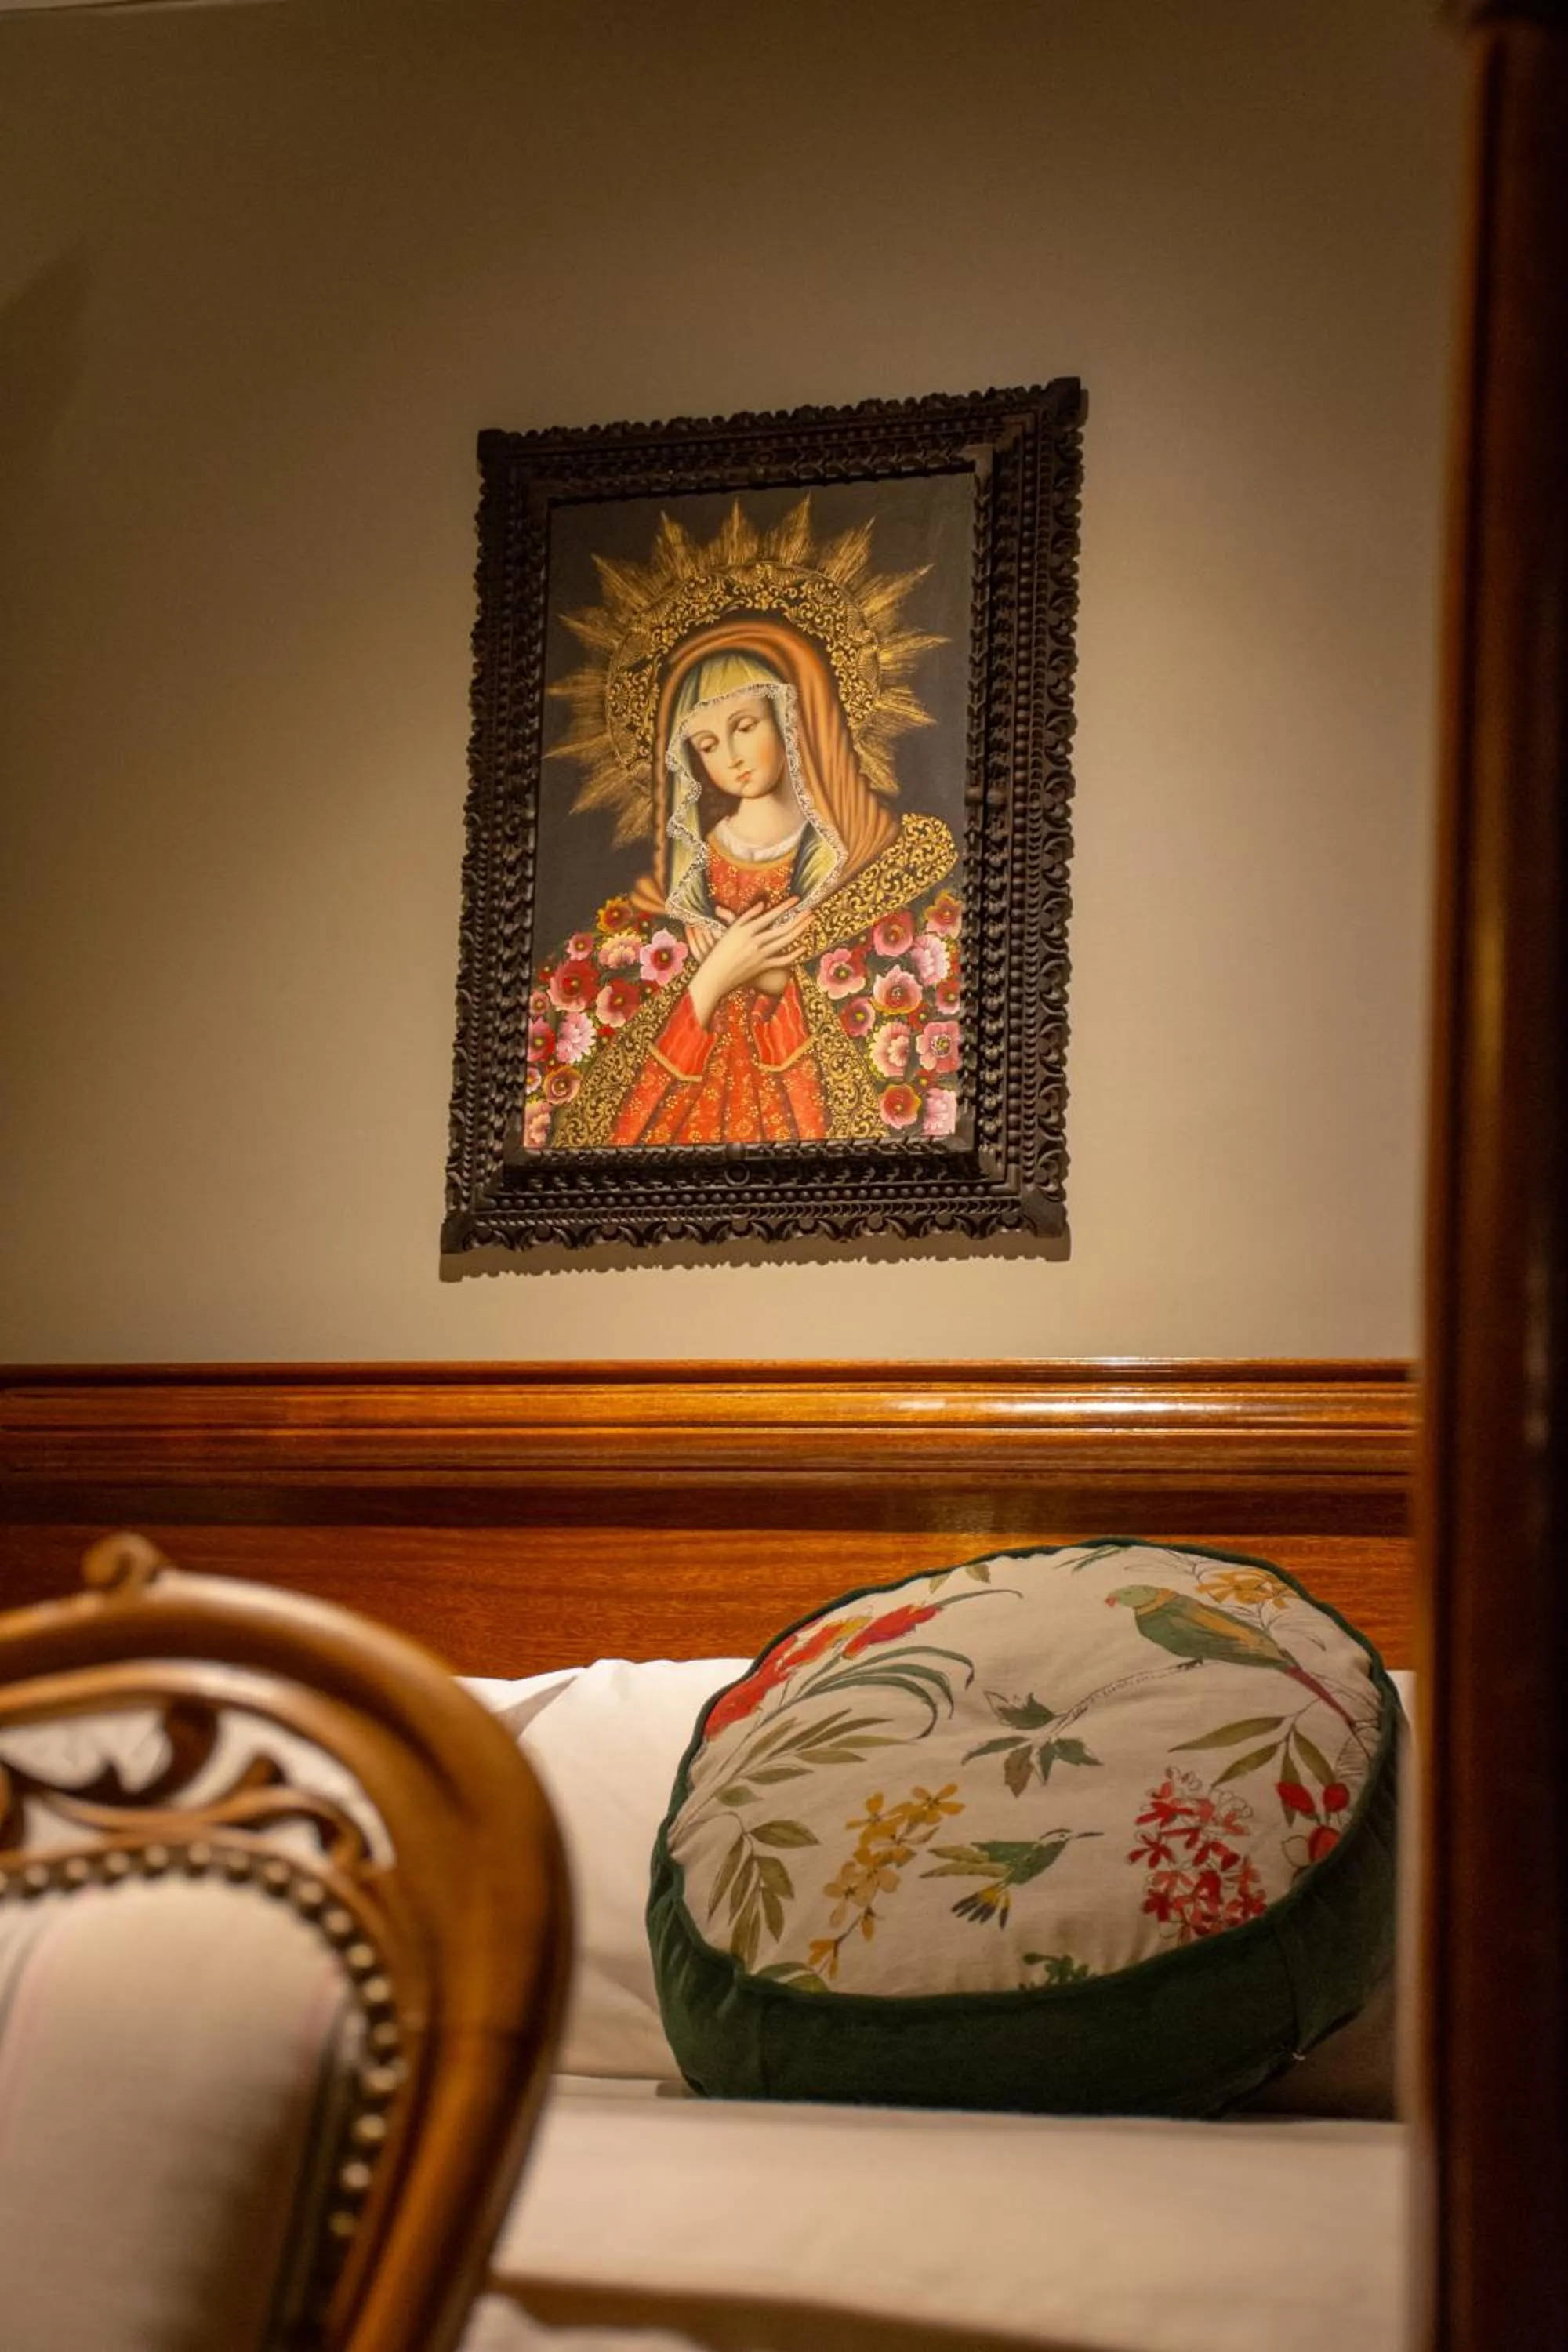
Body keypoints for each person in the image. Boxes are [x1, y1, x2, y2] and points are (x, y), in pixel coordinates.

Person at [524, 615, 964, 1150]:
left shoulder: (876, 873)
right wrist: (711, 981)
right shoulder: (675, 901)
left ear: (791, 719)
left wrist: (771, 980)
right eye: (706, 744)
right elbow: (613, 1129)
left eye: (745, 726)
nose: (729, 757)